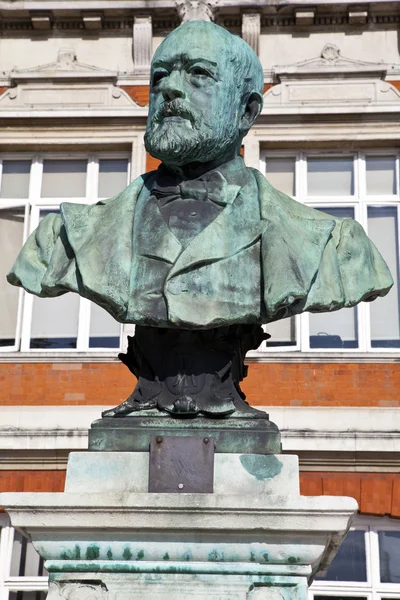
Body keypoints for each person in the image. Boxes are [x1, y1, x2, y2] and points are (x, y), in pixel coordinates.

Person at [7, 21, 393, 417]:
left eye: (198, 74)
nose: (170, 88)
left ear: (247, 111)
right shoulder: (66, 239)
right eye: (160, 75)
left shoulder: (331, 247)